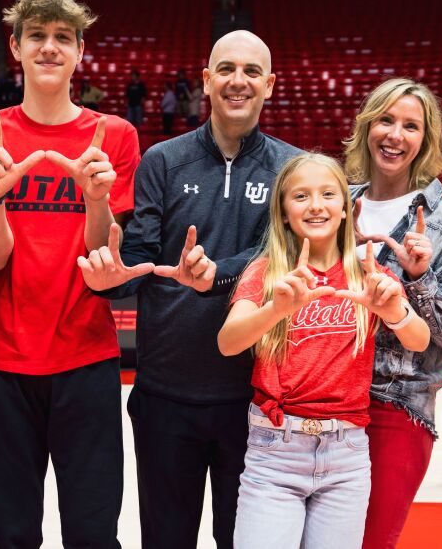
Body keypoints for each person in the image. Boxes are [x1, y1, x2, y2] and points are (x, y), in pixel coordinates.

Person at [78, 29, 300, 549]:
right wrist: (113, 276)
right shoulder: (163, 160)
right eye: (225, 69)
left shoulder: (290, 167)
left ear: (269, 84)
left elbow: (278, 254)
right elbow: (136, 258)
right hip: (165, 395)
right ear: (206, 80)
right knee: (164, 539)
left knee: (242, 541)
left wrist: (217, 272)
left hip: (253, 398)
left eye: (250, 72)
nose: (237, 81)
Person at [0, 0, 140, 546]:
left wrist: (96, 199)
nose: (50, 47)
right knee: (9, 535)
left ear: (81, 51)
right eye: (37, 35)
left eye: (64, 37)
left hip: (86, 357)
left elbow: (99, 259)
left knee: (92, 531)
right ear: (15, 46)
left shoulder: (115, 136)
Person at [218, 153, 430, 549]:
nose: (316, 205)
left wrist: (395, 312)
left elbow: (418, 341)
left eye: (328, 194)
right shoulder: (266, 272)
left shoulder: (369, 275)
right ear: (282, 212)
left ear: (349, 209)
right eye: (301, 196)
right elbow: (228, 342)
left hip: (346, 455)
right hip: (275, 452)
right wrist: (276, 309)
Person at [343, 77, 442, 548]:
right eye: (386, 120)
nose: (395, 134)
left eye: (411, 125)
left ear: (426, 139)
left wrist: (419, 279)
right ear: (367, 126)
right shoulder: (334, 204)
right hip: (321, 400)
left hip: (395, 408)